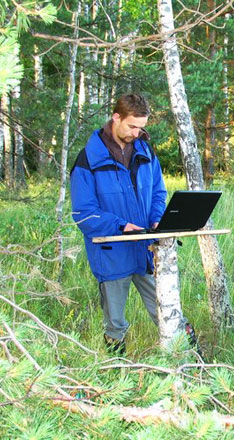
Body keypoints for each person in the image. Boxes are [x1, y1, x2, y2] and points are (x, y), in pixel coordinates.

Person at [70, 94, 167, 355]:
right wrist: (120, 226)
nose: (137, 133)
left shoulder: (146, 151)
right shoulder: (88, 159)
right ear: (116, 117)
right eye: (132, 126)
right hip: (111, 252)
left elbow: (158, 192)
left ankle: (187, 361)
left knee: (166, 309)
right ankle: (116, 372)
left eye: (141, 127)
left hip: (146, 250)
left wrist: (157, 218)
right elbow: (83, 213)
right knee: (115, 323)